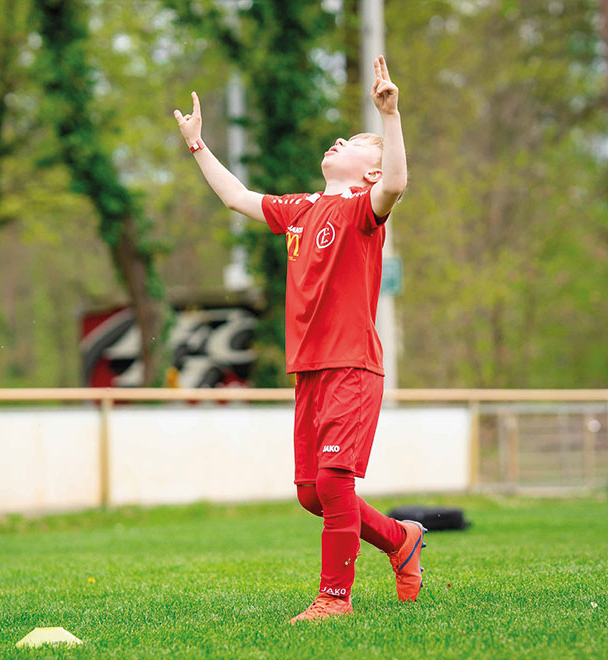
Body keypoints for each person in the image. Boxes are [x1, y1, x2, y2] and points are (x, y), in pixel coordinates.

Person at [173, 55, 424, 623]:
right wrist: (197, 145)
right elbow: (237, 198)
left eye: (356, 140)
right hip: (309, 368)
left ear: (368, 174)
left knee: (334, 480)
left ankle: (334, 599)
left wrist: (390, 117)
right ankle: (399, 540)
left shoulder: (364, 208)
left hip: (352, 365)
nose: (341, 139)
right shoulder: (302, 210)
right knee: (313, 494)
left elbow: (399, 183)